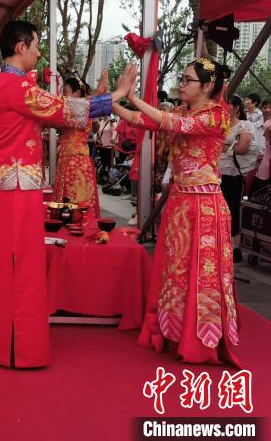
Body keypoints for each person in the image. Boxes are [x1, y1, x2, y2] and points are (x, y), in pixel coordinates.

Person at [0, 20, 136, 368]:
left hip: (12, 187)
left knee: (7, 263)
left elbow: (60, 108)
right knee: (20, 265)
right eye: (35, 45)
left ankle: (1, 337)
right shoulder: (17, 87)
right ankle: (15, 343)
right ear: (20, 47)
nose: (37, 52)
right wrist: (118, 94)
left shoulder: (8, 85)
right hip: (16, 190)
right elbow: (67, 110)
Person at [114, 57, 241, 366]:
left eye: (187, 80)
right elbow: (143, 121)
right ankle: (173, 331)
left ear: (207, 86)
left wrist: (132, 96)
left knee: (201, 274)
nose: (181, 85)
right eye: (181, 79)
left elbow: (172, 124)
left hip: (204, 208)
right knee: (175, 271)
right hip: (180, 205)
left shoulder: (216, 115)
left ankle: (200, 341)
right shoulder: (184, 111)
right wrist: (114, 101)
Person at [52, 74, 105, 217]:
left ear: (76, 93)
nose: (63, 95)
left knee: (76, 197)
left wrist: (99, 93)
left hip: (77, 158)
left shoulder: (83, 108)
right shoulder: (71, 108)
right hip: (66, 156)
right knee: (65, 195)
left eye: (66, 91)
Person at [221, 95, 258, 263]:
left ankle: (234, 247)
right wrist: (230, 147)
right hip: (214, 173)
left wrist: (222, 147)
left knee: (232, 209)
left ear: (236, 108)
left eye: (227, 104)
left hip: (233, 174)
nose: (223, 107)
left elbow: (243, 148)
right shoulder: (217, 125)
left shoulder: (245, 125)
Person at [252, 98, 271, 194]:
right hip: (253, 166)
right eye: (265, 107)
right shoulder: (253, 126)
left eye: (270, 108)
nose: (267, 110)